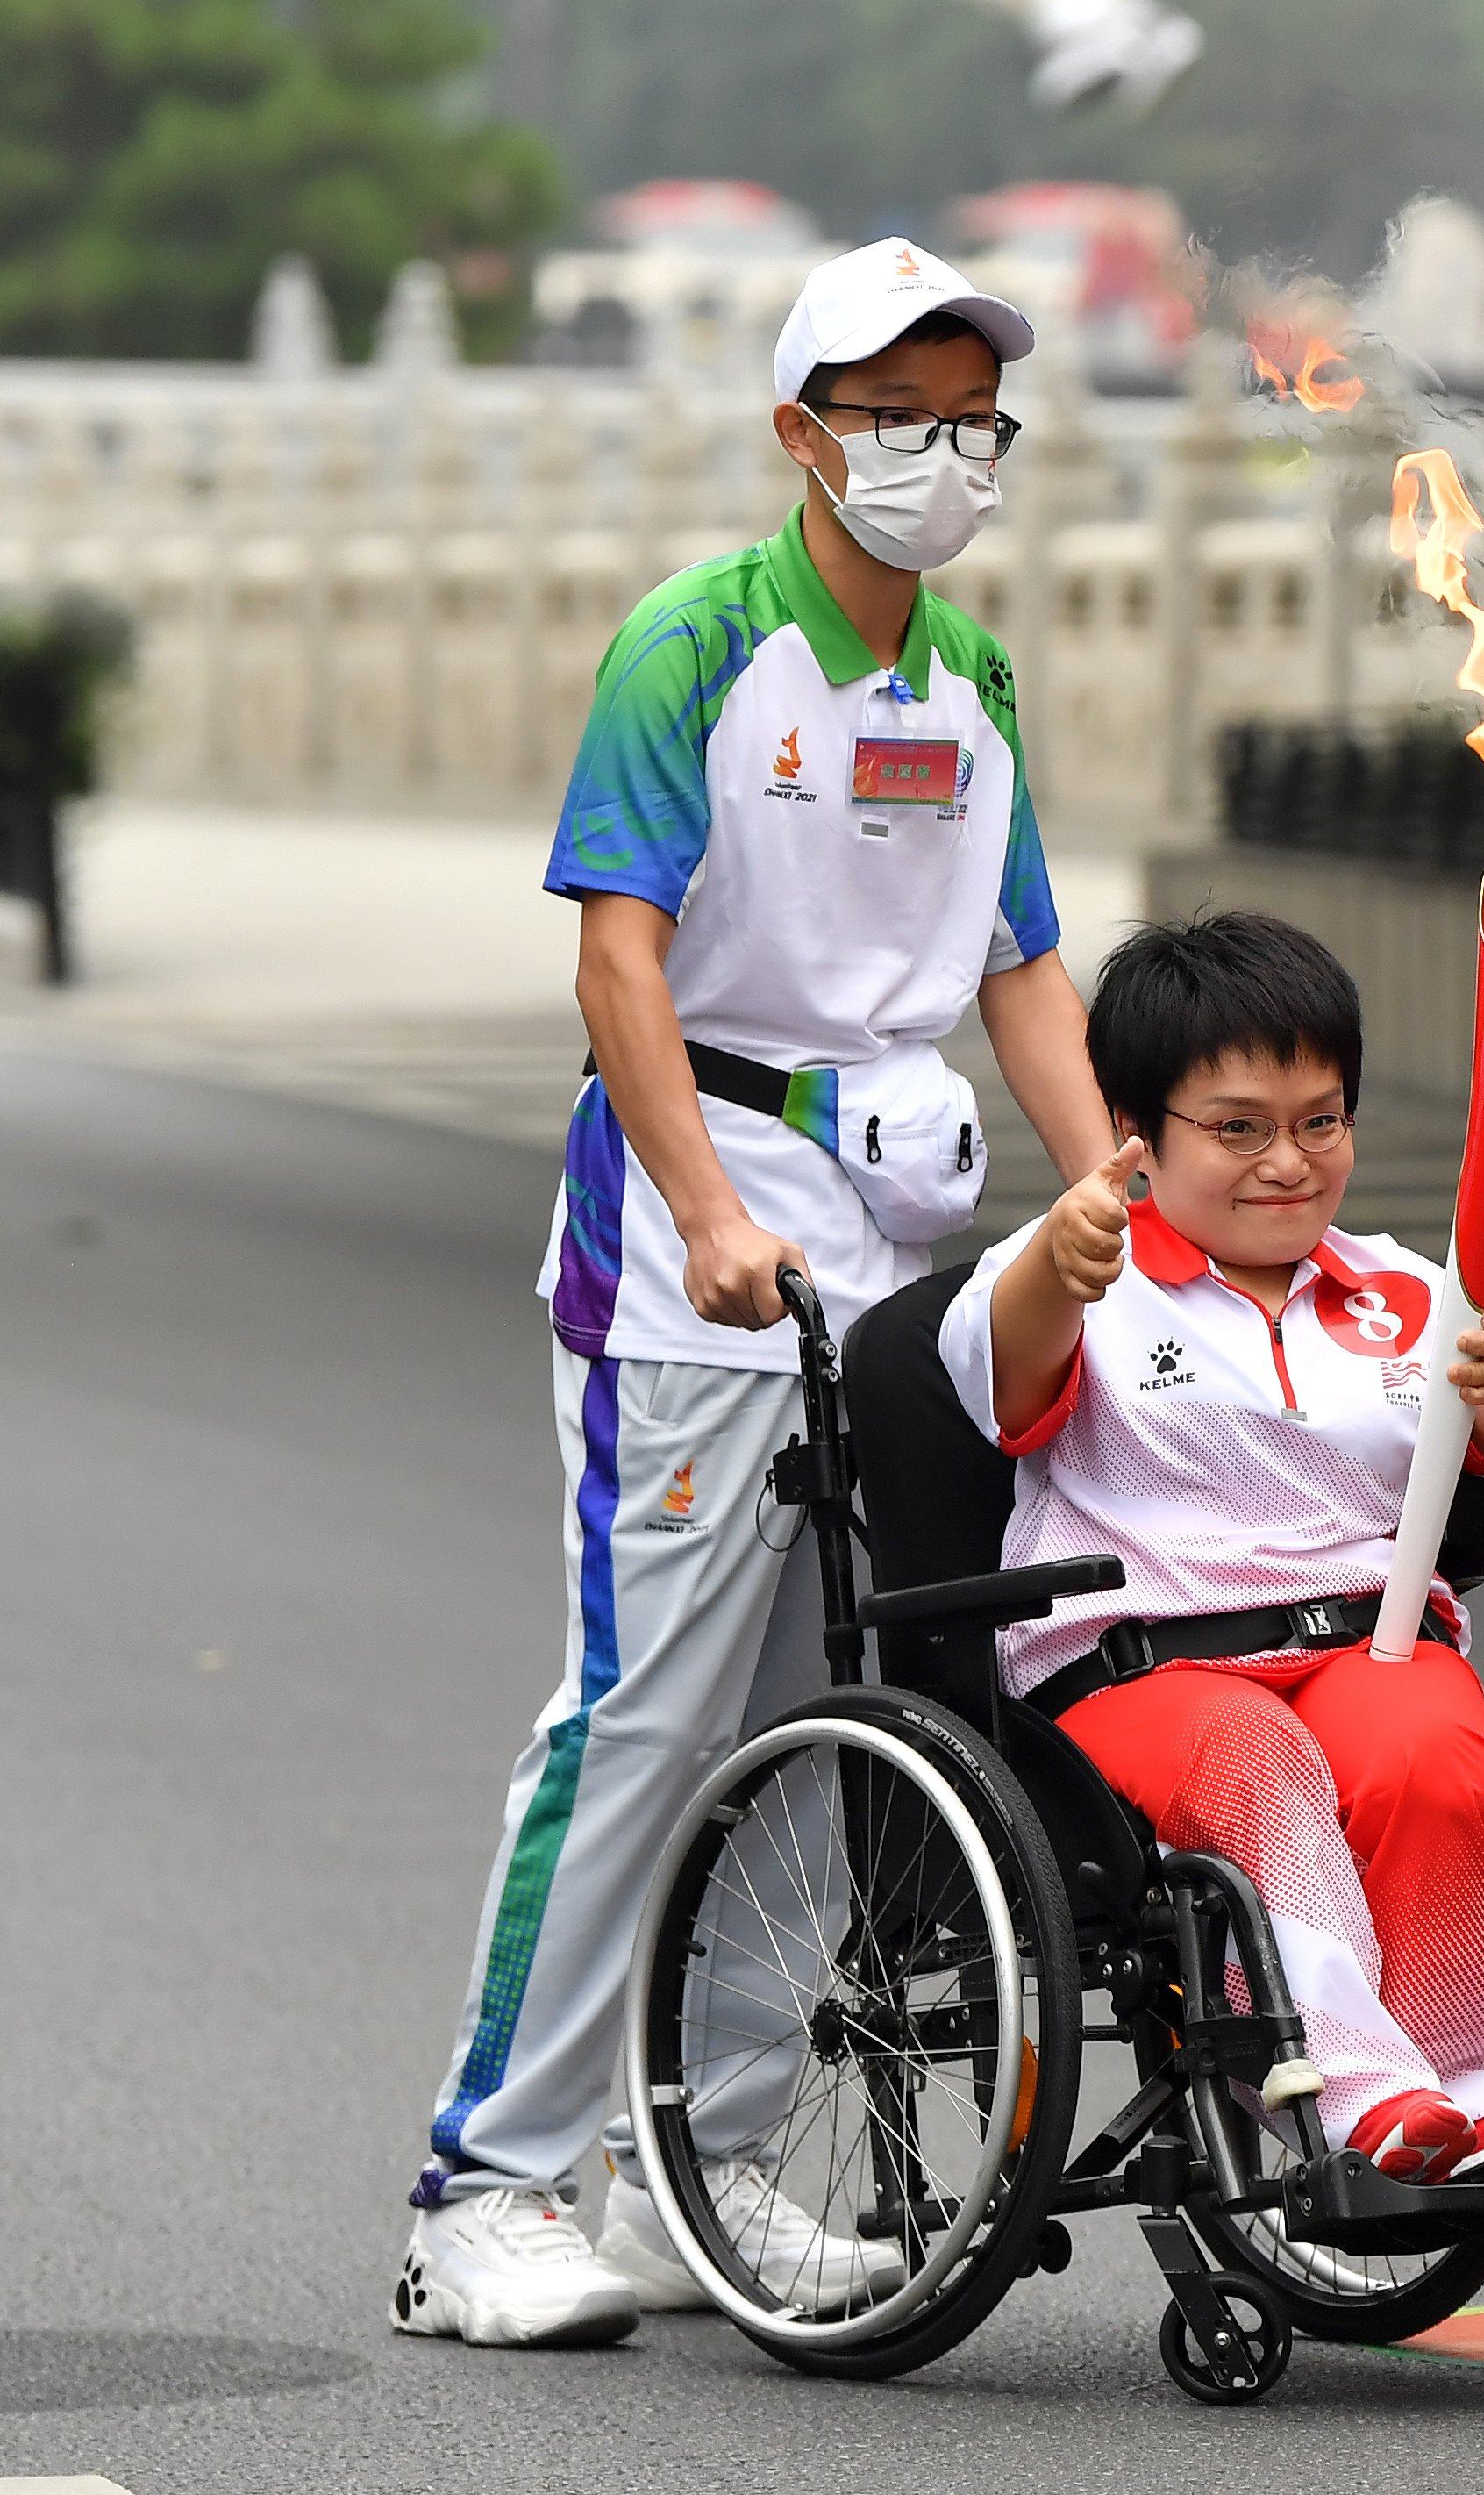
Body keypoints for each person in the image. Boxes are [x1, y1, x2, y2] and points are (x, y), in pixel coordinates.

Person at [396, 239, 1117, 2348]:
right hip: (696, 1248)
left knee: (832, 1716)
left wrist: (1118, 1202)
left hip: (901, 1236)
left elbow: (1024, 970)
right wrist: (708, 1207)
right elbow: (621, 957)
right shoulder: (693, 648)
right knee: (644, 1711)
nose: (940, 453)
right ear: (804, 432)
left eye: (971, 417)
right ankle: (485, 2185)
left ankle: (694, 2171)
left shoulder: (971, 681)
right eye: (897, 414)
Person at [935, 911, 1484, 2180]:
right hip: (1141, 1676)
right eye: (1238, 1127)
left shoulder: (1406, 1287)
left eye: (1320, 1119)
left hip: (1365, 1643)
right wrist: (1055, 1270)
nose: (1287, 1160)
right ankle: (1351, 2092)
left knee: (1434, 1753)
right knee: (1261, 1764)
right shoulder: (1086, 1270)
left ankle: (1452, 2087)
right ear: (1136, 1130)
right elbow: (1007, 1385)